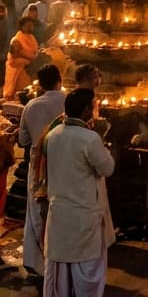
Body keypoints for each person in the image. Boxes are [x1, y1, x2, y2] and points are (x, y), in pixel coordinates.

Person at [40, 88, 115, 297]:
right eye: (93, 106)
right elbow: (107, 168)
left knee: (61, 276)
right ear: (85, 111)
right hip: (84, 217)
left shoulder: (52, 135)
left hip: (60, 215)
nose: (94, 110)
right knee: (88, 275)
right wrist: (102, 139)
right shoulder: (90, 138)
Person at [19, 64, 65, 278]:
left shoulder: (31, 106)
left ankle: (36, 263)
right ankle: (60, 263)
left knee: (36, 212)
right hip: (65, 164)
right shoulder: (69, 102)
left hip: (38, 168)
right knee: (61, 212)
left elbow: (23, 140)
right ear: (60, 79)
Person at [4, 16, 38, 99]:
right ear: (22, 27)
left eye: (32, 25)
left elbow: (34, 51)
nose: (31, 27)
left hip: (30, 68)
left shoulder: (31, 37)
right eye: (28, 26)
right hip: (19, 69)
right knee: (18, 95)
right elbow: (15, 55)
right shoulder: (16, 39)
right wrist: (30, 58)